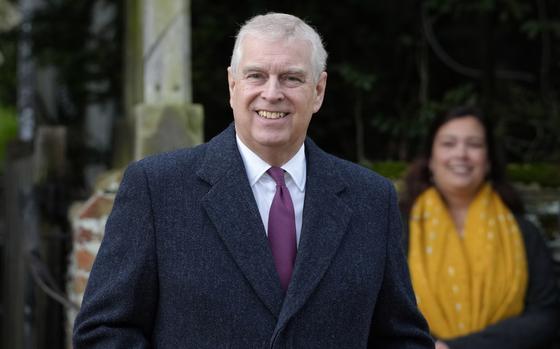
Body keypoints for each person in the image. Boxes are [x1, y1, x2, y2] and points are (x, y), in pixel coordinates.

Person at [72, 12, 433, 348]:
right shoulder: (157, 188)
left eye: (292, 78)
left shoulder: (371, 199)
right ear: (232, 85)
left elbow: (401, 337)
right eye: (256, 75)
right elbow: (104, 332)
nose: (272, 92)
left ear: (318, 91)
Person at [400, 105, 560, 349]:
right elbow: (383, 311)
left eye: (474, 144)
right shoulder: (398, 229)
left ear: (488, 161)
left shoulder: (523, 231)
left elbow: (547, 316)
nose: (461, 153)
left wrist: (458, 348)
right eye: (449, 143)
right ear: (431, 160)